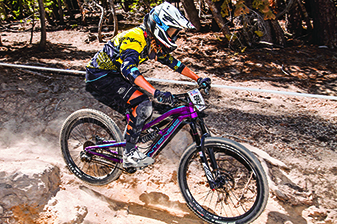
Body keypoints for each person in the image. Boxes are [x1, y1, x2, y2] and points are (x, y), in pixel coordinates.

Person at [85, 2, 211, 168]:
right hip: (100, 75)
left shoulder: (152, 41)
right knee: (143, 103)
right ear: (159, 25)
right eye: (172, 31)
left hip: (117, 74)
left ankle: (131, 139)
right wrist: (155, 91)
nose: (174, 36)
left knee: (146, 108)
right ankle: (129, 153)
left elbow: (174, 63)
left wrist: (198, 78)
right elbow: (129, 69)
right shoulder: (135, 38)